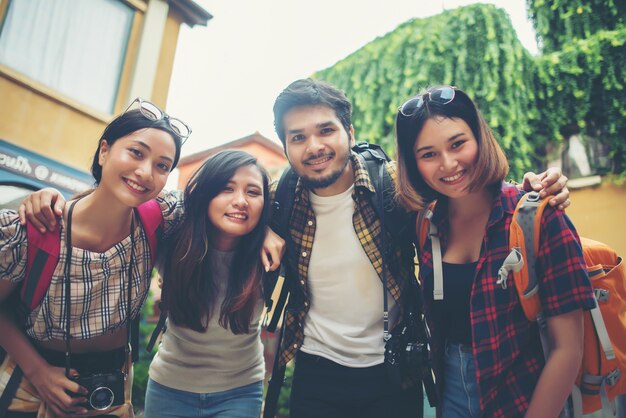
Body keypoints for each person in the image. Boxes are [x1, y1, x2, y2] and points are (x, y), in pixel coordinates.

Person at [264, 78, 571, 418]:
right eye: (298, 137)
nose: (314, 146)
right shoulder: (278, 199)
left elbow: (468, 190)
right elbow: (226, 217)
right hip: (316, 372)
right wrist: (259, 231)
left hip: (394, 369)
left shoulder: (394, 186)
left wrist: (536, 188)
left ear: (349, 133)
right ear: (285, 147)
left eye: (325, 130)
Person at [394, 85, 596, 417]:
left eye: (457, 144)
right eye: (428, 154)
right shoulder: (424, 224)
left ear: (479, 137)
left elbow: (568, 349)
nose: (448, 163)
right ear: (414, 163)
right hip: (449, 395)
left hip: (524, 396)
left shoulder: (539, 218)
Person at [0, 98, 188, 418]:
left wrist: (267, 230)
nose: (145, 172)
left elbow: (220, 205)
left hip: (111, 389)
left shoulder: (159, 220)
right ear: (104, 151)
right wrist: (39, 372)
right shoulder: (35, 230)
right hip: (32, 383)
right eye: (136, 153)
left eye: (162, 165)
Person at [142, 150, 272, 418]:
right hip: (169, 387)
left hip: (240, 391)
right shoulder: (173, 239)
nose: (240, 201)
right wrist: (49, 199)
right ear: (206, 194)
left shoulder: (270, 254)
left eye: (253, 192)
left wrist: (273, 231)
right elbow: (117, 206)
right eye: (226, 188)